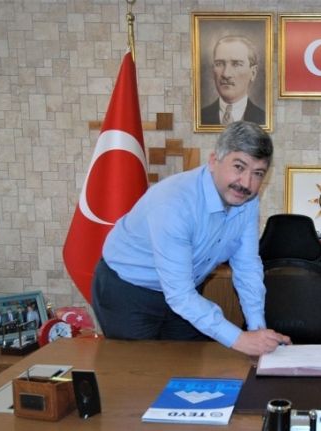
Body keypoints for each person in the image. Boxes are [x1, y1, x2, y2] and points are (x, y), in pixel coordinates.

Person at [92, 121, 289, 356]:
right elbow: (179, 295)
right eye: (239, 167)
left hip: (185, 291)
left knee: (188, 365)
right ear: (214, 161)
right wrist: (239, 340)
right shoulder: (175, 203)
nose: (246, 183)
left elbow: (246, 265)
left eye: (257, 174)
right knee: (140, 369)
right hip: (129, 290)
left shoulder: (247, 200)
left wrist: (258, 331)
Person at [200, 36, 265, 125]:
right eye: (219, 64)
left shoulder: (263, 118)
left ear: (253, 73)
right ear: (212, 70)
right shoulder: (200, 117)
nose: (226, 74)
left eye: (236, 64)